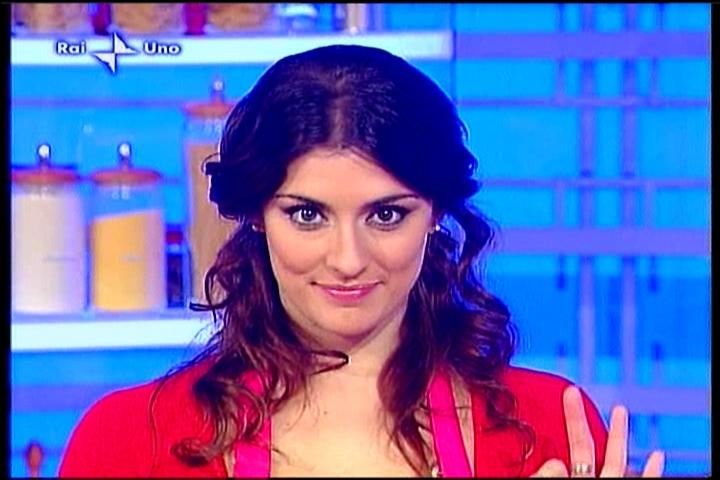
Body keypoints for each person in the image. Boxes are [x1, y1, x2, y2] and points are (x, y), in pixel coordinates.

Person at [59, 44, 665, 478]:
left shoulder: (550, 429)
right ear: (256, 216)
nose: (348, 259)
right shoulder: (128, 442)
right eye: (307, 214)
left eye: (386, 215)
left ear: (435, 213)